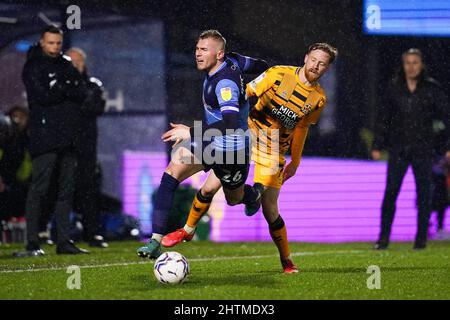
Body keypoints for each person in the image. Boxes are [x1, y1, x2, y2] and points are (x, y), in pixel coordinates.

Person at [162, 43, 337, 273]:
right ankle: (187, 229)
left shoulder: (318, 99)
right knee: (209, 187)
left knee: (270, 209)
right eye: (313, 59)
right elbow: (244, 94)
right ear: (305, 57)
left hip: (274, 148)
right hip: (246, 136)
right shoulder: (278, 74)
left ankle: (286, 261)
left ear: (326, 69)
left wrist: (296, 161)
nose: (315, 65)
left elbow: (302, 128)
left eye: (322, 63)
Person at [136, 30, 268, 259]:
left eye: (204, 50)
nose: (198, 54)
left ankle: (252, 196)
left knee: (233, 198)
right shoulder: (234, 60)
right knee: (171, 173)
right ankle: (155, 241)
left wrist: (190, 131)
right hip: (210, 141)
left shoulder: (224, 84)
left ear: (219, 55)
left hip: (232, 150)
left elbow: (230, 124)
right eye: (197, 49)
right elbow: (263, 65)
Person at [15, 25, 89, 256]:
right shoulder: (33, 66)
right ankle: (32, 243)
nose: (55, 47)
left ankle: (64, 241)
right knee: (39, 188)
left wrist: (62, 88)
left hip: (68, 136)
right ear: (41, 42)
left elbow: (82, 91)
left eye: (58, 43)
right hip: (45, 136)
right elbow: (42, 96)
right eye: (51, 43)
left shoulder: (65, 65)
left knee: (66, 190)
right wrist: (65, 89)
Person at [372, 48, 450, 250]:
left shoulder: (432, 88)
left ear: (421, 65)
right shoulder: (394, 88)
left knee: (425, 195)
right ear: (403, 65)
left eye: (415, 62)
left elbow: (446, 118)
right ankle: (383, 240)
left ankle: (421, 241)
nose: (411, 66)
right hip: (398, 148)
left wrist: (447, 146)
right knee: (391, 193)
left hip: (424, 149)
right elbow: (384, 119)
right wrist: (377, 144)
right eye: (408, 62)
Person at [65, 47, 108, 248]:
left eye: (78, 61)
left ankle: (92, 232)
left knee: (89, 190)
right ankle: (58, 233)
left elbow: (96, 107)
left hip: (86, 147)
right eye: (70, 61)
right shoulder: (59, 85)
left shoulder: (92, 85)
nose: (74, 65)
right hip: (63, 146)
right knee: (61, 189)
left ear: (84, 64)